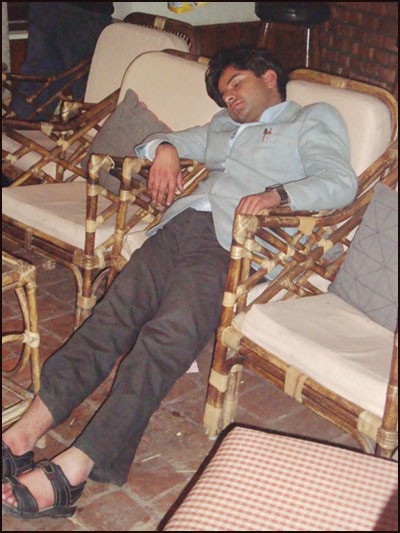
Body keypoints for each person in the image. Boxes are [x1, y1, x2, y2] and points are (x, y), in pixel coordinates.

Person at [2, 46, 358, 519]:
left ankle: (77, 467)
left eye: (236, 84)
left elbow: (340, 182)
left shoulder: (311, 118)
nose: (229, 98)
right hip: (180, 226)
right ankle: (21, 436)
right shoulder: (223, 127)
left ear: (269, 77)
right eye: (223, 93)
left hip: (234, 244)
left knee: (163, 340)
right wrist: (166, 150)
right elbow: (156, 142)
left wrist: (278, 195)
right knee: (108, 320)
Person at [8, 2, 113, 120]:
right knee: (89, 87)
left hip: (51, 8)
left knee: (39, 78)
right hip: (85, 12)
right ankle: (22, 122)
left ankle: (21, 122)